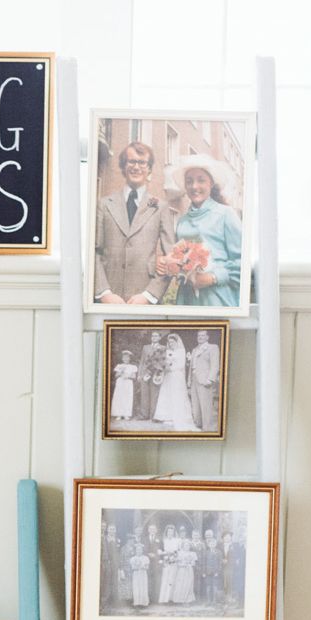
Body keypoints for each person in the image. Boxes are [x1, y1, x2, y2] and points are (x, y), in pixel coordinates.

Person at [92, 141, 175, 306]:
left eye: (142, 162)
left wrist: (149, 295)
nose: (136, 167)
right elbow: (94, 252)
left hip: (144, 299)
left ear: (149, 169)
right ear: (123, 166)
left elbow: (171, 258)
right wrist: (104, 293)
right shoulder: (104, 204)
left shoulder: (161, 207)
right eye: (131, 161)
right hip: (109, 297)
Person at [161, 155, 243, 309]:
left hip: (217, 298)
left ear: (211, 183)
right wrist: (171, 263)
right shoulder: (182, 221)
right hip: (187, 299)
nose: (194, 186)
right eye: (189, 181)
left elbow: (242, 262)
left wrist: (213, 277)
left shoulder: (225, 214)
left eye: (201, 180)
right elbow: (179, 257)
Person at [153, 335, 196, 431]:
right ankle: (167, 416)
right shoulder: (167, 351)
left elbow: (181, 365)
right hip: (168, 376)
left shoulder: (181, 351)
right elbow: (163, 361)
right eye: (169, 342)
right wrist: (163, 367)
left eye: (172, 342)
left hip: (177, 375)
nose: (171, 344)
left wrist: (170, 368)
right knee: (167, 394)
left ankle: (178, 415)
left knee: (177, 394)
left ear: (177, 342)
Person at [189, 329, 221, 431]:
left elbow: (215, 364)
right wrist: (189, 380)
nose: (200, 337)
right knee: (195, 403)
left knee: (206, 404)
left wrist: (210, 379)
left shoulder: (213, 347)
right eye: (199, 335)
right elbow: (191, 366)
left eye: (203, 335)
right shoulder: (194, 349)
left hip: (205, 379)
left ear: (207, 337)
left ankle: (208, 427)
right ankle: (199, 424)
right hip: (194, 378)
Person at [136, 330, 166, 421]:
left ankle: (153, 415)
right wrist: (139, 374)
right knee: (144, 393)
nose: (154, 338)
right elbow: (142, 361)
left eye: (156, 336)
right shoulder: (146, 347)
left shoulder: (163, 348)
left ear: (160, 338)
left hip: (156, 373)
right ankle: (144, 414)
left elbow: (164, 362)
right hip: (145, 373)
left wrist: (160, 372)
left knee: (154, 394)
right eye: (152, 336)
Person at [99, 522, 122, 611]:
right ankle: (104, 603)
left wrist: (119, 565)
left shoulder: (117, 540)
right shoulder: (104, 539)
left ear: (115, 531)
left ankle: (115, 602)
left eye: (113, 529)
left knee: (115, 582)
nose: (112, 531)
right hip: (107, 563)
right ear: (108, 530)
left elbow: (118, 553)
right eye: (110, 529)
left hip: (115, 564)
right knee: (106, 582)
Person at [111, 349, 138, 421]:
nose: (126, 359)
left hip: (128, 383)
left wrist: (128, 376)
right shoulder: (119, 366)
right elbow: (116, 375)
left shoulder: (133, 366)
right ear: (122, 358)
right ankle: (119, 414)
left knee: (127, 397)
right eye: (124, 357)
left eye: (127, 357)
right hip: (120, 382)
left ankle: (126, 414)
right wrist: (121, 371)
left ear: (130, 358)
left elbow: (134, 377)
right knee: (119, 397)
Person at [157, 524, 181, 603]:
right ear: (166, 532)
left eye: (172, 532)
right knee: (166, 580)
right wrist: (166, 553)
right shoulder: (164, 540)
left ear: (174, 532)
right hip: (166, 562)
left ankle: (172, 599)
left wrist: (174, 554)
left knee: (173, 580)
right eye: (169, 532)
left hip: (174, 562)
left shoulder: (177, 541)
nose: (170, 533)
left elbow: (179, 551)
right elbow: (159, 551)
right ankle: (164, 599)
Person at [172, 539, 197, 605]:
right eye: (185, 545)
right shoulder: (180, 553)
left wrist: (189, 563)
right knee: (181, 584)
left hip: (189, 570)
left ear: (190, 546)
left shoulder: (193, 553)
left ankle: (187, 601)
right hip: (182, 570)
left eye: (188, 545)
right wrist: (183, 564)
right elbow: (177, 563)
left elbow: (194, 563)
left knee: (188, 584)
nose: (187, 547)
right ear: (183, 546)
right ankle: (180, 600)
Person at [129, 542, 150, 608]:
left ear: (142, 550)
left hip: (143, 574)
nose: (139, 551)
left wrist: (143, 567)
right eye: (137, 550)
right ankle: (137, 603)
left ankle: (144, 603)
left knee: (143, 587)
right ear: (135, 551)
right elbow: (133, 568)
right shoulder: (133, 558)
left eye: (140, 550)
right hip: (136, 574)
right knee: (136, 587)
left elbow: (147, 567)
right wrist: (138, 566)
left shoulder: (145, 558)